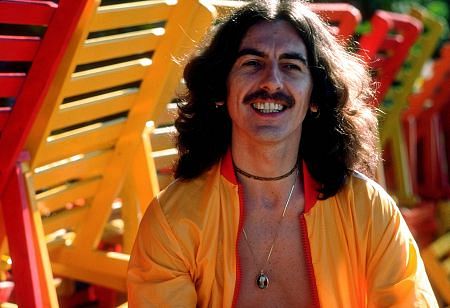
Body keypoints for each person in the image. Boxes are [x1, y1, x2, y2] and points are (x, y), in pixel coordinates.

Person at [127, 0, 438, 306]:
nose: (272, 81)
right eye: (252, 63)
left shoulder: (368, 210)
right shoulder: (173, 221)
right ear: (221, 89)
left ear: (315, 95)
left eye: (291, 66)